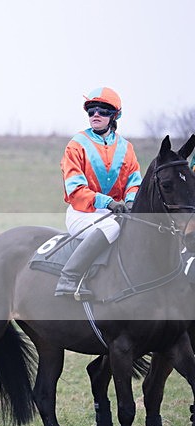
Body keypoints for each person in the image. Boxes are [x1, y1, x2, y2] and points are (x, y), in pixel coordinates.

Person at [55, 87, 142, 299]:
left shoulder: (126, 147)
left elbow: (134, 181)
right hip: (82, 213)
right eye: (91, 110)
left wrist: (131, 201)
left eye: (103, 110)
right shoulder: (76, 145)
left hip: (113, 212)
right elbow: (75, 189)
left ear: (114, 116)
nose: (96, 114)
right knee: (112, 227)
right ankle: (68, 278)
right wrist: (109, 203)